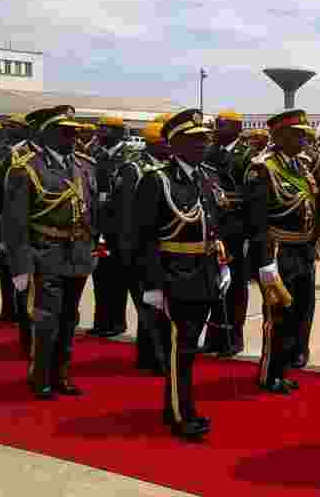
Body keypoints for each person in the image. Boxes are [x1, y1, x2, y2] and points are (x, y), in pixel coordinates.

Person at [134, 108, 228, 441]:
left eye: (205, 138)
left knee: (189, 348)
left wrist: (223, 265)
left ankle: (174, 404)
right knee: (180, 348)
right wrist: (152, 285)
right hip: (173, 275)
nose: (203, 145)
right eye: (195, 139)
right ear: (174, 144)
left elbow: (214, 227)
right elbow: (142, 238)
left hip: (203, 273)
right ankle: (181, 414)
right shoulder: (156, 179)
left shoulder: (208, 176)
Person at [2, 105, 98, 400]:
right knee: (46, 319)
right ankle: (40, 377)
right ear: (47, 134)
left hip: (78, 253)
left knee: (70, 318)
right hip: (45, 252)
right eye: (65, 132)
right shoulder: (27, 168)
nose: (72, 137)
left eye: (74, 132)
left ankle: (62, 374)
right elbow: (15, 221)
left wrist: (94, 245)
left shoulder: (85, 165)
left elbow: (92, 210)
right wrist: (19, 265)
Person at [245, 108, 320, 392]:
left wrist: (316, 242)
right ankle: (269, 374)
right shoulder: (262, 168)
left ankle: (282, 369)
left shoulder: (301, 166)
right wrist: (265, 262)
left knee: (298, 314)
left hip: (302, 251)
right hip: (278, 251)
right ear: (278, 136)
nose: (302, 139)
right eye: (296, 134)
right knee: (277, 317)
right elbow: (256, 222)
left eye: (303, 134)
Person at [115, 121, 172, 374]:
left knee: (159, 307)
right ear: (156, 143)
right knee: (148, 305)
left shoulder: (166, 168)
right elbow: (128, 215)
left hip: (164, 248)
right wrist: (132, 251)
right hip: (140, 248)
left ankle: (153, 355)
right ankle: (154, 359)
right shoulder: (135, 169)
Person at [202, 110, 252, 358]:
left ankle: (233, 336)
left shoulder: (247, 155)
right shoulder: (208, 152)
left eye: (224, 125)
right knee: (213, 283)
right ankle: (214, 336)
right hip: (213, 226)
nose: (218, 129)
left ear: (237, 128)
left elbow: (252, 198)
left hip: (236, 228)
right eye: (217, 125)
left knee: (236, 285)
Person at [0, 114, 31, 333]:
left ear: (24, 129)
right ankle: (8, 309)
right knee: (4, 263)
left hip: (22, 220)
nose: (8, 129)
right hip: (2, 217)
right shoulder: (1, 151)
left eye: (13, 126)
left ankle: (23, 311)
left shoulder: (29, 153)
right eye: (7, 126)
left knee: (19, 266)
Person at [89, 116, 134, 338]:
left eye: (105, 129)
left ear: (118, 132)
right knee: (100, 275)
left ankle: (116, 322)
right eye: (99, 128)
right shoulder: (95, 155)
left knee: (117, 278)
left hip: (119, 229)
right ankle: (101, 320)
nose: (99, 132)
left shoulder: (128, 157)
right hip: (99, 227)